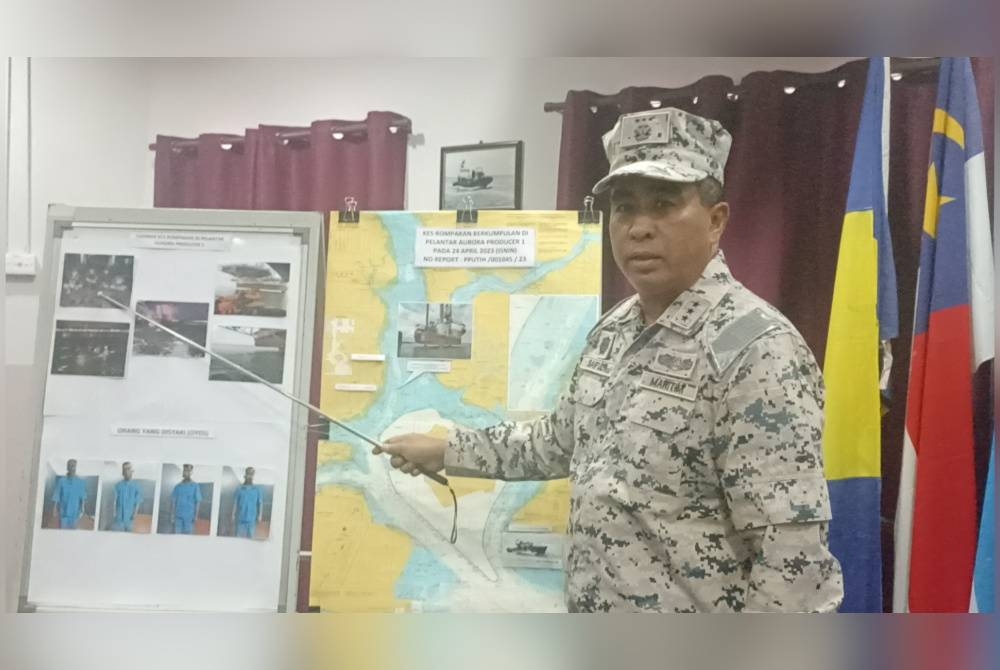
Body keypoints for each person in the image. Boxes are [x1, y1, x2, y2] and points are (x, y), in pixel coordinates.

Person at [377, 108, 844, 613]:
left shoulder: (756, 349)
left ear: (716, 221)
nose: (639, 228)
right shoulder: (614, 330)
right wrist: (447, 450)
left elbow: (792, 563)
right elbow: (557, 442)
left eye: (664, 205)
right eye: (624, 209)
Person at [51, 459, 87, 530]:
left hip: (75, 512)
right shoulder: (61, 481)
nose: (72, 468)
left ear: (76, 467)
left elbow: (82, 496)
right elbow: (57, 494)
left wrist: (83, 507)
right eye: (70, 466)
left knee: (72, 531)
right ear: (67, 467)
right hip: (63, 511)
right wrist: (54, 508)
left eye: (74, 466)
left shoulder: (80, 482)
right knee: (62, 529)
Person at [170, 464, 203, 535]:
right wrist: (172, 515)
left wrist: (196, 516)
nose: (186, 472)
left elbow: (198, 502)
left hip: (189, 518)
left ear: (191, 473)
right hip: (178, 517)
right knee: (177, 537)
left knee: (188, 538)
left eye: (188, 471)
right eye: (185, 470)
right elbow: (173, 501)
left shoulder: (195, 486)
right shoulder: (178, 486)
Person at [231, 467, 263, 539]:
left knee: (250, 540)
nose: (250, 476)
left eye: (251, 474)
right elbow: (235, 503)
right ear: (245, 475)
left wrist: (260, 515)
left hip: (252, 520)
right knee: (238, 540)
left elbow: (260, 503)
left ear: (253, 476)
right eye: (248, 474)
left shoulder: (257, 490)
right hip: (240, 519)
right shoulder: (239, 489)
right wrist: (233, 514)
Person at [111, 462, 143, 532]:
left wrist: (135, 514)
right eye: (125, 469)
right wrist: (114, 513)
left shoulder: (136, 486)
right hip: (119, 517)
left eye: (129, 469)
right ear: (123, 472)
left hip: (130, 517)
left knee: (128, 534)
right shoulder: (118, 485)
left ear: (132, 471)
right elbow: (114, 501)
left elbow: (138, 502)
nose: (127, 471)